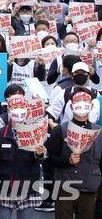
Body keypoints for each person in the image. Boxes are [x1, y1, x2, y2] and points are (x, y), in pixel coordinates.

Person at [0, 95, 46, 219]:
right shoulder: (0, 134)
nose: (19, 109)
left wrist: (40, 153)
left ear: (27, 110)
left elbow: (42, 157)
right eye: (15, 107)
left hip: (29, 190)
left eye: (22, 107)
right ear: (9, 110)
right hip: (4, 189)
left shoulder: (34, 132)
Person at [47, 86, 102, 219]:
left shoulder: (99, 132)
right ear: (71, 107)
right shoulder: (61, 130)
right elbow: (50, 158)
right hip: (65, 187)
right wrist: (67, 161)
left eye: (85, 100)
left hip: (90, 187)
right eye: (78, 100)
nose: (82, 103)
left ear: (91, 105)